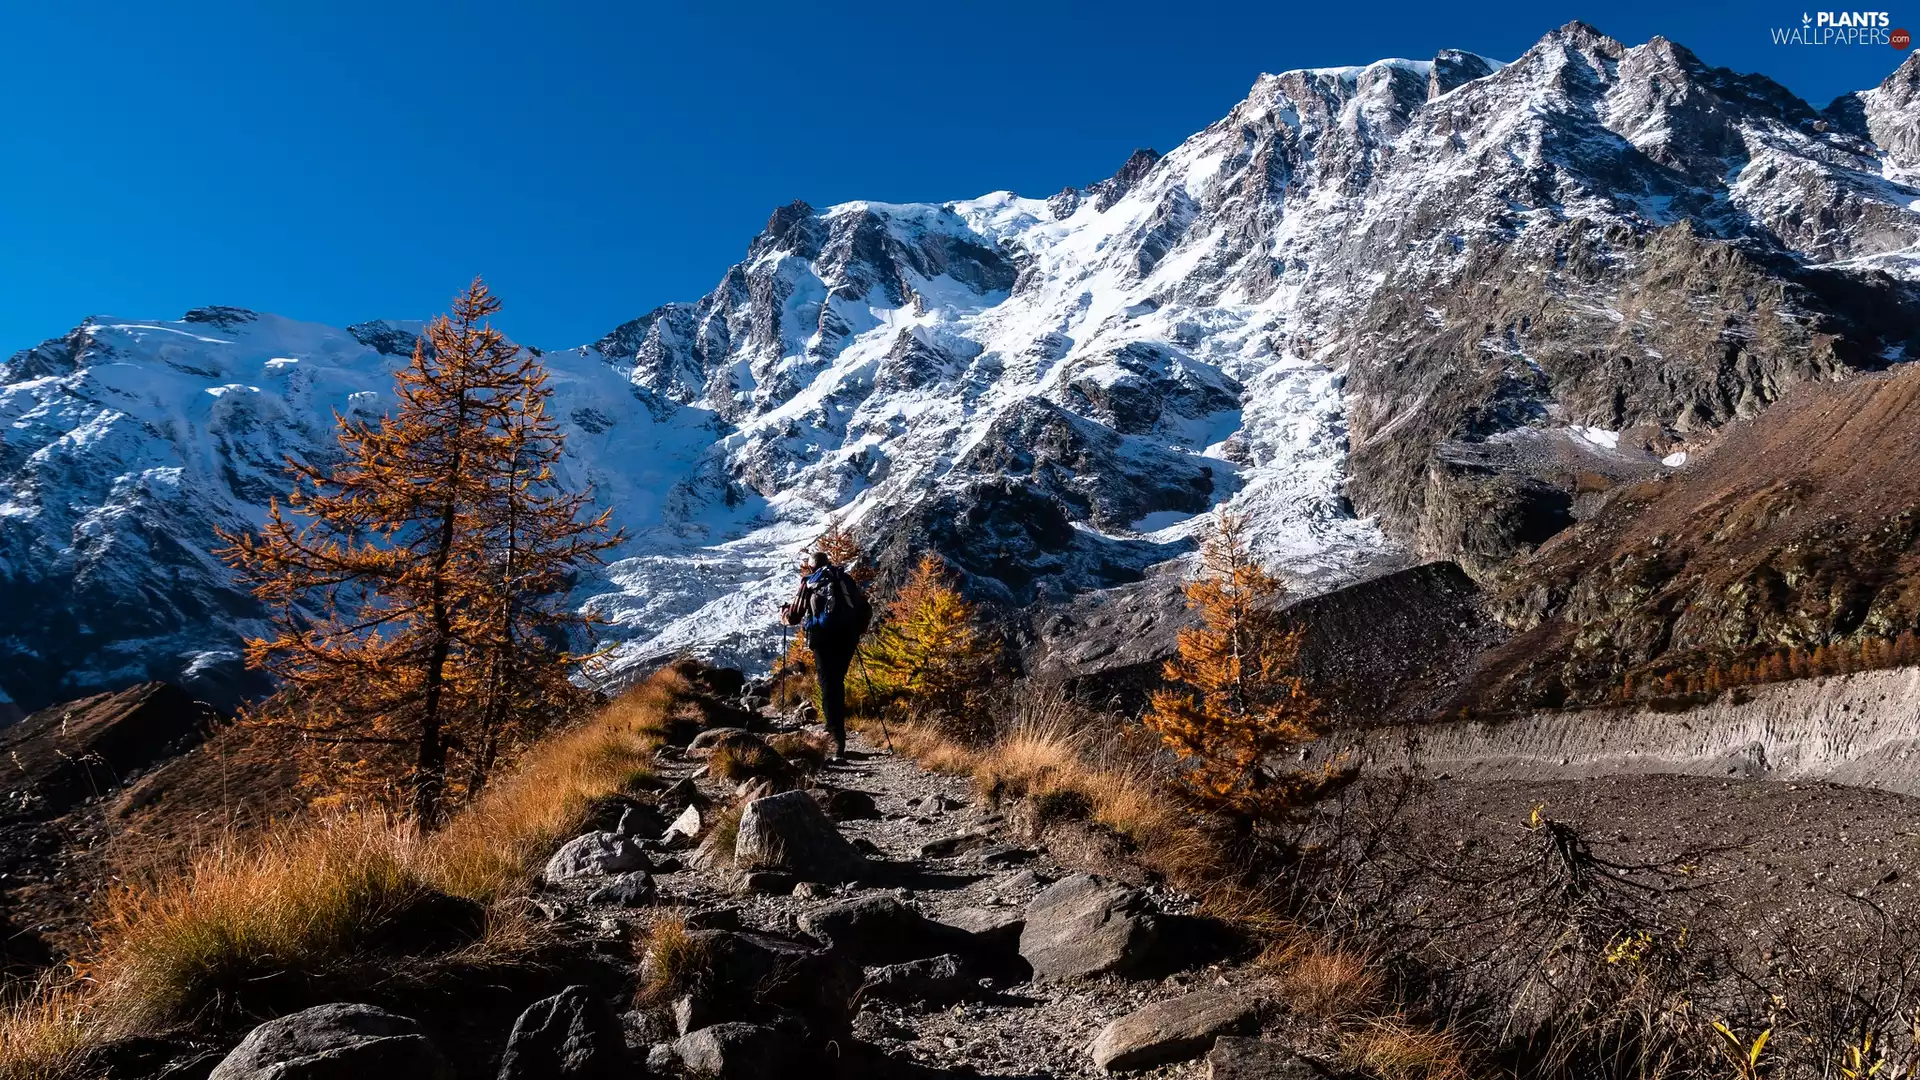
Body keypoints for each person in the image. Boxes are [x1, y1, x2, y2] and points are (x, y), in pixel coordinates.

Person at [782, 551, 862, 760]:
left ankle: (835, 739)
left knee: (828, 684)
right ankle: (837, 735)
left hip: (823, 639)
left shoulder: (810, 582)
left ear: (811, 568)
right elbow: (861, 607)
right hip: (848, 638)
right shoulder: (844, 579)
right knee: (837, 682)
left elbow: (794, 615)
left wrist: (784, 614)